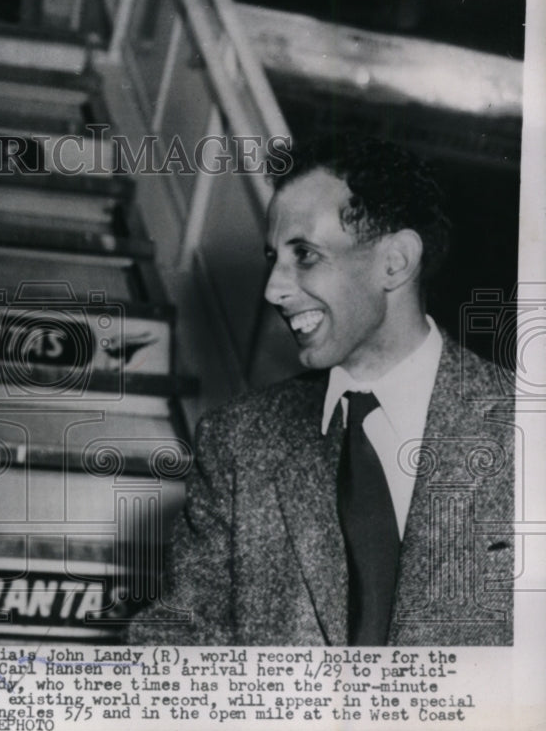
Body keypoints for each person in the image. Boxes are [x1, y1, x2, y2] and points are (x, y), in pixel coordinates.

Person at [129, 135, 514, 646]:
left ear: (395, 261)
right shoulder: (238, 443)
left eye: (304, 255)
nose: (272, 289)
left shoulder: (524, 429)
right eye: (273, 257)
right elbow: (175, 644)